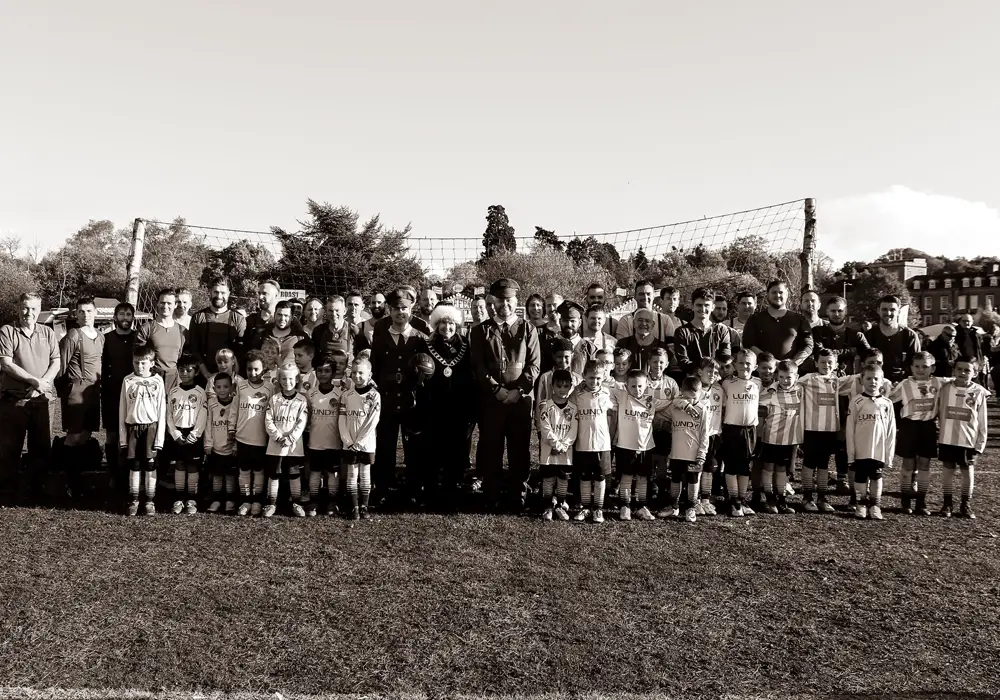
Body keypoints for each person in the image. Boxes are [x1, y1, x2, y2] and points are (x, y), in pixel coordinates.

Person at [470, 279, 541, 511]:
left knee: (519, 449)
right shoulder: (480, 330)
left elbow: (534, 366)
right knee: (491, 448)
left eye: (508, 300)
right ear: (493, 302)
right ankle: (491, 493)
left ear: (516, 301)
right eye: (500, 300)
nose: (504, 305)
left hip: (519, 402)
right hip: (491, 402)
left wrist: (518, 390)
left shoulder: (528, 329)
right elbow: (478, 367)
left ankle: (517, 494)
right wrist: (496, 389)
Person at [361, 288, 429, 507]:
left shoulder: (421, 339)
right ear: (389, 310)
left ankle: (414, 490)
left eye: (405, 308)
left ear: (411, 310)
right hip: (388, 400)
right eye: (397, 308)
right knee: (386, 448)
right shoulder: (380, 338)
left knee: (415, 449)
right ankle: (382, 489)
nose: (401, 312)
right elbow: (376, 369)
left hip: (412, 401)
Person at [0, 292, 60, 504]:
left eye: (34, 308)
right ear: (18, 308)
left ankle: (36, 491)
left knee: (41, 448)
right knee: (9, 449)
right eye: (25, 308)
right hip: (14, 401)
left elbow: (56, 361)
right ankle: (7, 494)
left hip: (42, 401)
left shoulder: (47, 332)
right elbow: (6, 363)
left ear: (40, 309)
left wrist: (41, 385)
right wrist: (34, 381)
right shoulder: (7, 331)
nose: (29, 313)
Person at [413, 304, 475, 511]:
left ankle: (453, 490)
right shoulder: (426, 346)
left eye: (450, 323)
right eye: (442, 323)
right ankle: (432, 491)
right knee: (433, 447)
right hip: (434, 404)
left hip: (459, 405)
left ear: (456, 324)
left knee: (456, 449)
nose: (447, 327)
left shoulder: (466, 346)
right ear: (436, 325)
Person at [888, 351, 948, 516]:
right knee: (907, 465)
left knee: (924, 465)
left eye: (925, 366)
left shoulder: (939, 382)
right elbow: (888, 397)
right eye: (917, 366)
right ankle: (905, 500)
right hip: (909, 427)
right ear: (911, 368)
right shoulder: (905, 384)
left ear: (933, 368)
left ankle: (921, 501)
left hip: (928, 427)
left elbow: (959, 382)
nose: (920, 370)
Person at [57, 295, 105, 498]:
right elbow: (60, 368)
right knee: (73, 436)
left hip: (94, 391)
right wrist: (65, 392)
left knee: (86, 434)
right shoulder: (73, 335)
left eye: (89, 311)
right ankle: (70, 482)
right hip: (76, 389)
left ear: (95, 313)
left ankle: (81, 479)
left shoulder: (101, 336)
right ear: (76, 315)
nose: (86, 315)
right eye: (81, 311)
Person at [609, 369, 672, 521]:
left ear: (646, 386)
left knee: (643, 477)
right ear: (626, 386)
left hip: (645, 447)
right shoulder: (622, 396)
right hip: (625, 446)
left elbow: (670, 403)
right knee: (626, 476)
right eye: (633, 386)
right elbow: (606, 386)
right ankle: (625, 506)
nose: (636, 390)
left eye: (640, 386)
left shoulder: (651, 400)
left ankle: (641, 506)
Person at [936, 357, 989, 518]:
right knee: (947, 471)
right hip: (947, 439)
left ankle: (966, 504)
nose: (963, 373)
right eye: (959, 369)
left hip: (968, 440)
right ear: (954, 371)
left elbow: (982, 419)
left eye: (967, 370)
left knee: (967, 472)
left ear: (975, 373)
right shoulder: (944, 388)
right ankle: (947, 504)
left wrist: (981, 442)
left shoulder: (979, 391)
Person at [119, 344, 167, 516]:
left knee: (150, 464)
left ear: (152, 363)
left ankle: (149, 501)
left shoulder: (158, 381)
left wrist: (159, 439)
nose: (140, 366)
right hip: (133, 429)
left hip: (151, 429)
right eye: (136, 363)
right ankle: (134, 500)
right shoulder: (128, 380)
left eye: (144, 363)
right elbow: (122, 411)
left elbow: (162, 411)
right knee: (135, 465)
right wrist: (123, 439)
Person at [846, 364, 896, 521]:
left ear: (882, 381)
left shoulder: (887, 403)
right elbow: (850, 429)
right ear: (861, 380)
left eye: (876, 379)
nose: (872, 382)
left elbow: (891, 430)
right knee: (860, 477)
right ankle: (861, 504)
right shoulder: (856, 401)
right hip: (861, 449)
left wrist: (888, 454)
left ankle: (875, 505)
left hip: (878, 450)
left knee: (876, 477)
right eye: (868, 378)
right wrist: (851, 453)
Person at [659, 375, 711, 523]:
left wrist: (702, 453)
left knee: (693, 481)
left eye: (694, 398)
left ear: (700, 393)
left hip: (694, 454)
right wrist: (682, 403)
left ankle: (691, 508)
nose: (691, 401)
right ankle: (674, 506)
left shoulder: (702, 410)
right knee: (675, 479)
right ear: (681, 392)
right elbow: (664, 408)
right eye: (687, 398)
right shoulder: (676, 407)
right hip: (676, 453)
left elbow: (704, 434)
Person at [306, 351, 349, 516]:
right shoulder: (311, 394)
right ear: (315, 372)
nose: (323, 374)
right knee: (315, 472)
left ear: (333, 373)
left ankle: (332, 502)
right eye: (320, 370)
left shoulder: (340, 394)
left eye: (327, 371)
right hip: (315, 441)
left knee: (333, 472)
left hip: (334, 442)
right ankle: (314, 502)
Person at [797, 348, 840, 512]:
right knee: (809, 463)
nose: (826, 365)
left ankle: (822, 498)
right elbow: (789, 385)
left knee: (824, 465)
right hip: (811, 429)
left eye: (830, 362)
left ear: (835, 364)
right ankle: (807, 498)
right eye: (822, 362)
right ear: (815, 363)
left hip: (829, 430)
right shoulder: (808, 379)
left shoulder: (838, 381)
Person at [264, 364, 309, 518]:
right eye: (283, 378)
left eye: (290, 378)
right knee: (274, 474)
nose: (287, 381)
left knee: (294, 474)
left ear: (296, 380)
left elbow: (302, 422)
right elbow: (268, 420)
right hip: (275, 444)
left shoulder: (301, 400)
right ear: (279, 380)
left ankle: (296, 503)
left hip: (293, 446)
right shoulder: (274, 399)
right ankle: (271, 503)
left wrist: (290, 438)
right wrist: (277, 436)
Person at [570, 360, 612, 523]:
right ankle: (586, 507)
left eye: (598, 378)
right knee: (585, 476)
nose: (595, 382)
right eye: (591, 378)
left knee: (600, 476)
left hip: (602, 443)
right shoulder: (577, 394)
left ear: (603, 378)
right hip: (583, 442)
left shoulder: (607, 393)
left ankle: (598, 509)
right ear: (584, 377)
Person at [720, 349, 762, 516]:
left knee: (745, 466)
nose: (744, 366)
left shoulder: (758, 383)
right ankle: (733, 500)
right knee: (731, 465)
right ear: (735, 365)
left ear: (755, 366)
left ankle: (742, 499)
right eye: (741, 363)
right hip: (731, 429)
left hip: (750, 430)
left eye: (748, 363)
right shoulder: (727, 383)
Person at [339, 355, 382, 519]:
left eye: (361, 373)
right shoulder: (346, 395)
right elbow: (341, 419)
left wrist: (361, 442)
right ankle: (353, 507)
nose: (357, 376)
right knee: (352, 474)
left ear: (369, 375)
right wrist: (348, 440)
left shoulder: (374, 396)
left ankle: (364, 506)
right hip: (349, 443)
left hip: (367, 443)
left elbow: (373, 421)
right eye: (354, 373)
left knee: (365, 474)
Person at [758, 360, 803, 514]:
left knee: (782, 470)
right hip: (770, 438)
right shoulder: (770, 392)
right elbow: (755, 405)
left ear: (796, 377)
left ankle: (782, 500)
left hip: (788, 440)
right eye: (782, 377)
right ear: (777, 376)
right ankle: (769, 499)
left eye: (789, 377)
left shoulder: (800, 391)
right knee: (769, 468)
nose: (785, 381)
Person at [166, 353, 207, 515]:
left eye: (189, 370)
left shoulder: (200, 392)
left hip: (192, 435)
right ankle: (179, 498)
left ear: (196, 372)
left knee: (192, 466)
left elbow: (202, 415)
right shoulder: (173, 391)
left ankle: (191, 499)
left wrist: (195, 434)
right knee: (179, 464)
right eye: (181, 370)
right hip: (178, 434)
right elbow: (168, 415)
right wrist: (175, 433)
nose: (185, 373)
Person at [101, 302, 136, 493]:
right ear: (115, 317)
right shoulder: (105, 339)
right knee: (112, 434)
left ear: (133, 318)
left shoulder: (139, 339)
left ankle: (129, 474)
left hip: (134, 394)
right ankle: (113, 474)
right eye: (121, 314)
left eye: (128, 314)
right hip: (111, 393)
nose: (125, 318)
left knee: (132, 433)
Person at [235, 349, 274, 516]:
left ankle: (257, 500)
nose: (253, 373)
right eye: (250, 369)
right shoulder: (241, 386)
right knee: (244, 470)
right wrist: (232, 428)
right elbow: (234, 409)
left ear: (263, 369)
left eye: (257, 369)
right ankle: (246, 500)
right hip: (242, 436)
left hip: (260, 438)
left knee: (258, 470)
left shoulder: (270, 388)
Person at [536, 369, 578, 521]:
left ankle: (560, 504)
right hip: (549, 450)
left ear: (570, 387)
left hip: (565, 452)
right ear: (552, 386)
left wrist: (563, 446)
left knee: (563, 479)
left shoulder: (573, 408)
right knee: (548, 478)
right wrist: (556, 445)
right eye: (559, 386)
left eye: (566, 386)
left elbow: (574, 430)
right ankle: (548, 506)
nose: (562, 390)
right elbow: (545, 428)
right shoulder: (545, 406)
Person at [741, 280, 813, 367]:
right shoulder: (754, 319)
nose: (778, 295)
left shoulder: (800, 319)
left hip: (790, 374)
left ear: (787, 295)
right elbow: (748, 343)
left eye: (781, 292)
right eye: (774, 292)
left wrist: (793, 363)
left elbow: (808, 345)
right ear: (768, 295)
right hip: (762, 372)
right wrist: (771, 361)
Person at [188, 277, 246, 381]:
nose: (219, 296)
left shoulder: (238, 319)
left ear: (228, 293)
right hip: (203, 376)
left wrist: (232, 375)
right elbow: (194, 349)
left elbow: (240, 351)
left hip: (230, 377)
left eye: (223, 293)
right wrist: (206, 373)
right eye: (216, 292)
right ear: (210, 292)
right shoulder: (198, 317)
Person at [857, 295, 920, 384]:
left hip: (901, 386)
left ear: (898, 311)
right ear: (878, 310)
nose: (888, 313)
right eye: (884, 309)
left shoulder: (909, 336)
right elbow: (861, 364)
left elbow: (916, 365)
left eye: (892, 310)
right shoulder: (869, 335)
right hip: (874, 385)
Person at [673, 288, 732, 378]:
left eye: (707, 305)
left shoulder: (722, 331)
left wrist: (708, 371)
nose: (703, 309)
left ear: (713, 307)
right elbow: (683, 362)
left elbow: (725, 358)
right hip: (692, 382)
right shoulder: (682, 332)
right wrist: (706, 370)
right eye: (699, 305)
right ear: (692, 306)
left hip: (716, 382)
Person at [136, 289, 186, 392]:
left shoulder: (183, 331)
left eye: (169, 303)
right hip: (151, 380)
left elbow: (184, 357)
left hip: (175, 381)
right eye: (162, 302)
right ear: (157, 303)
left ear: (175, 305)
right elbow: (138, 356)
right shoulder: (147, 328)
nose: (165, 306)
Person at [204, 372, 238, 514]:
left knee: (230, 475)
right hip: (216, 447)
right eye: (218, 387)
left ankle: (230, 500)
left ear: (231, 388)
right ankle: (217, 500)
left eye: (225, 387)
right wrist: (208, 444)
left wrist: (236, 445)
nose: (222, 390)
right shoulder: (211, 404)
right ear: (214, 388)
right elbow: (208, 425)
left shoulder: (236, 403)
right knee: (217, 475)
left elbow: (238, 425)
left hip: (231, 448)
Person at [616, 280, 676, 345]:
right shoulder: (625, 321)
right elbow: (622, 350)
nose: (645, 297)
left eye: (648, 294)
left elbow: (671, 348)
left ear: (653, 296)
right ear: (635, 296)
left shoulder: (665, 320)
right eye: (641, 294)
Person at [812, 296, 860, 376]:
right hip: (822, 379)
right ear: (827, 312)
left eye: (840, 311)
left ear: (846, 311)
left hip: (848, 381)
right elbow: (821, 352)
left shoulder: (855, 334)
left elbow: (868, 354)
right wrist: (850, 351)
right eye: (833, 311)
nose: (837, 314)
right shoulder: (817, 332)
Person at [616, 309, 668, 373]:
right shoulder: (623, 344)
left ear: (653, 325)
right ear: (634, 323)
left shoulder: (661, 346)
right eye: (640, 320)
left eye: (647, 321)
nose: (643, 323)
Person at [312, 296, 358, 361]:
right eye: (330, 310)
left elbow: (362, 353)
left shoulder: (353, 330)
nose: (333, 314)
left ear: (344, 311)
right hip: (326, 369)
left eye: (337, 310)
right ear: (326, 311)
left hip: (347, 369)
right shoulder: (319, 330)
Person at [556, 300, 592, 375]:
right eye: (565, 320)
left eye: (573, 321)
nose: (569, 324)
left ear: (580, 322)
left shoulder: (589, 348)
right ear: (560, 321)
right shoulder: (549, 345)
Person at [954, 314, 990, 386]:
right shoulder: (955, 333)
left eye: (968, 321)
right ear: (960, 322)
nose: (966, 323)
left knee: (975, 385)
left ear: (972, 322)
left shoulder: (976, 334)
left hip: (975, 363)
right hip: (962, 364)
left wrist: (982, 361)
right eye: (964, 321)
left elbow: (980, 350)